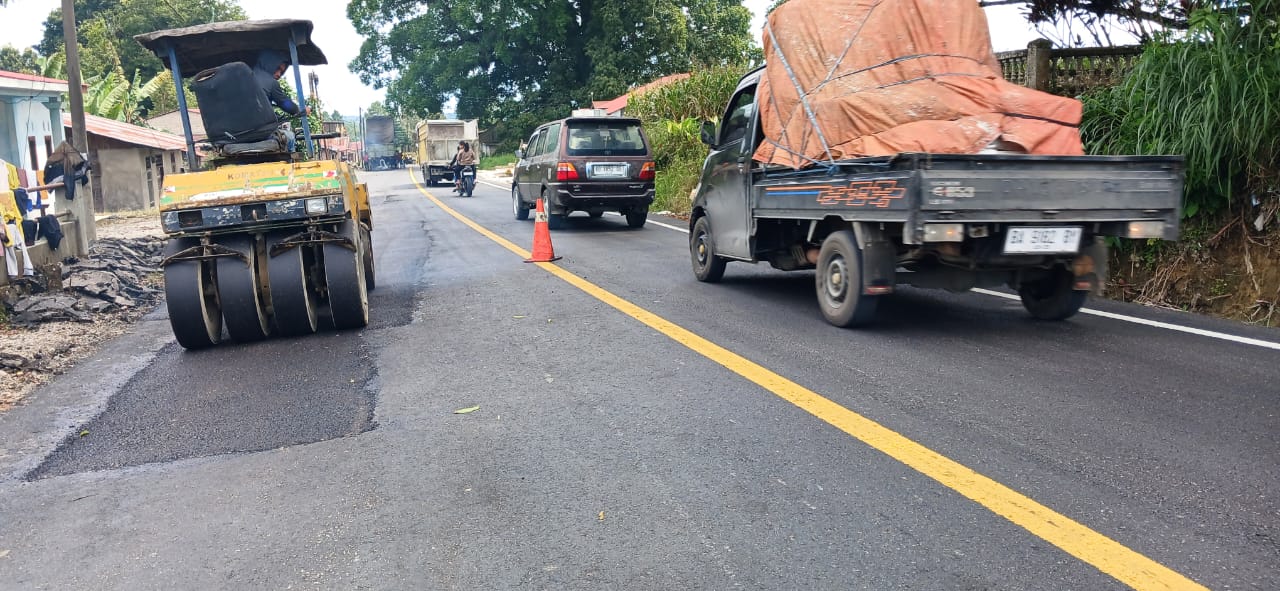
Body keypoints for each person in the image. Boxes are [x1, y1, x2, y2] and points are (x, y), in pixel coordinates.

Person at [253, 50, 310, 151]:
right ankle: (290, 163)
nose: (279, 74)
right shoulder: (271, 83)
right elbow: (286, 104)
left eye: (282, 72)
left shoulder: (244, 77)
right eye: (277, 69)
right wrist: (300, 110)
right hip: (259, 134)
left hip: (235, 135)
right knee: (291, 137)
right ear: (270, 64)